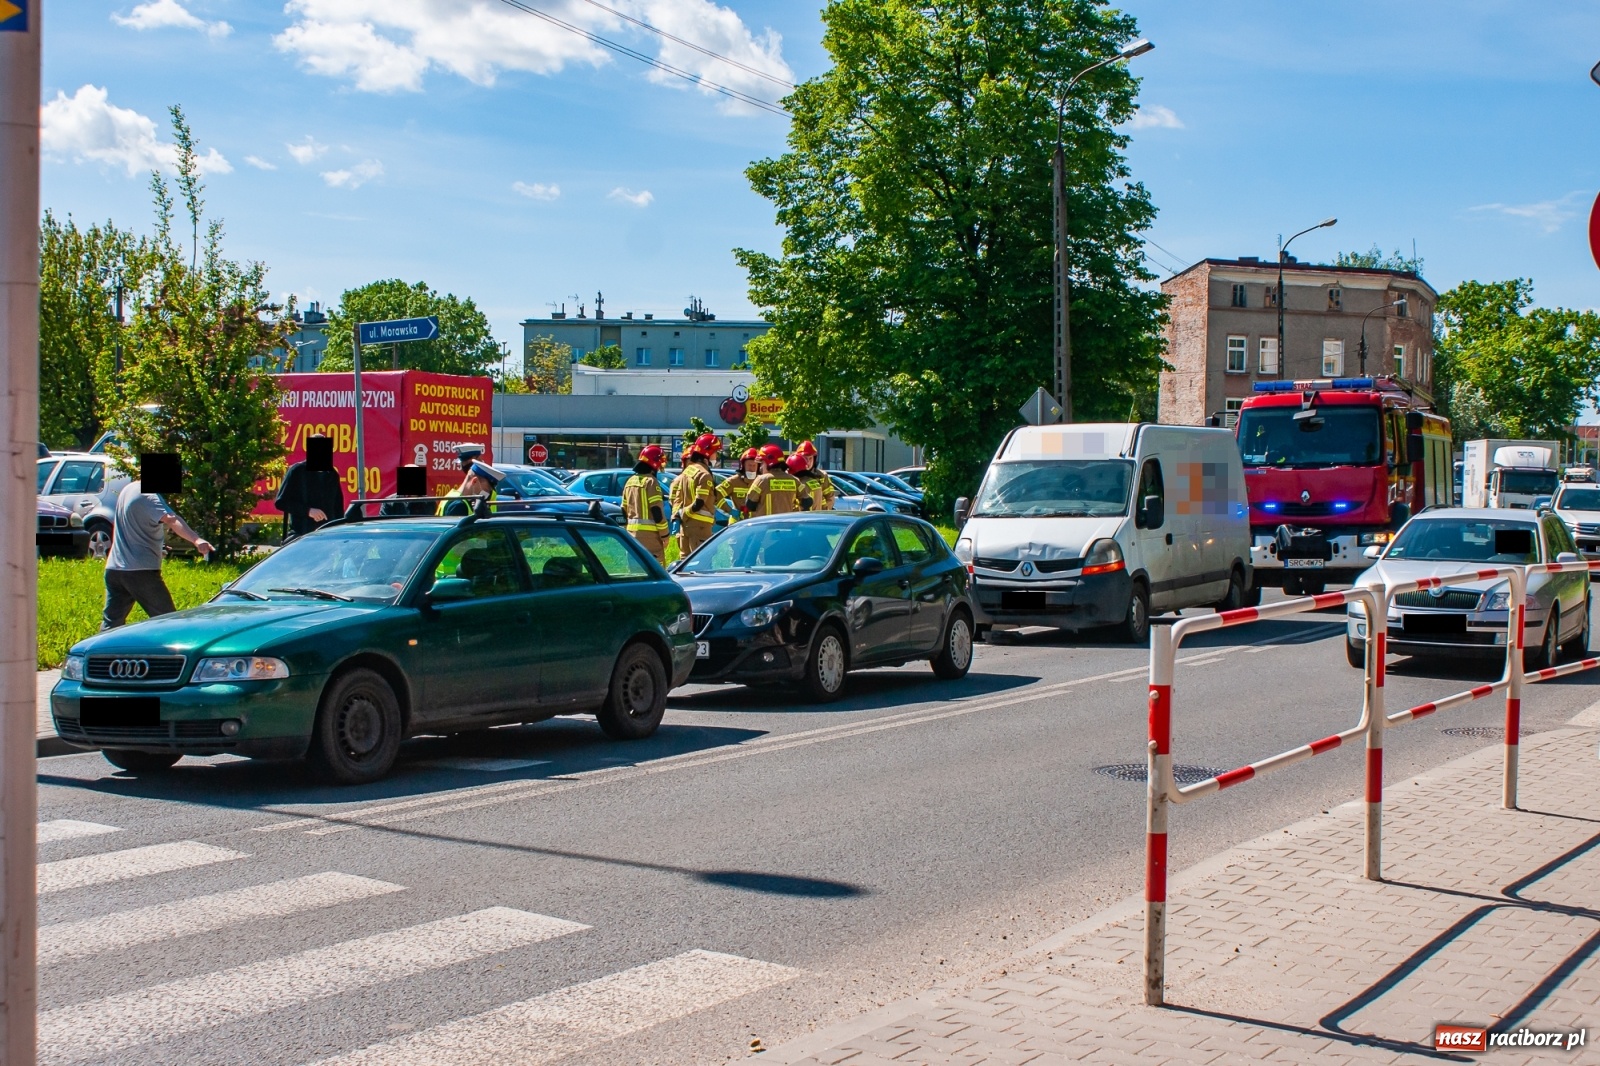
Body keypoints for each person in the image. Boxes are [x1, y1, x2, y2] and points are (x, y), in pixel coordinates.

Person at [101, 480, 214, 631]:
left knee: (111, 624)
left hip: (115, 569)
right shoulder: (149, 496)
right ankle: (174, 653)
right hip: (140, 572)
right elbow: (171, 520)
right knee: (168, 621)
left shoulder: (129, 489)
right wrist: (197, 540)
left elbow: (135, 525)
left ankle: (96, 653)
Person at [275, 433, 345, 538]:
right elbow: (281, 502)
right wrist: (308, 511)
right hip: (302, 534)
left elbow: (338, 507)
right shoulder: (297, 471)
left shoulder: (332, 474)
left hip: (327, 535)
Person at [673, 433, 722, 558]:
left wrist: (678, 517)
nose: (716, 456)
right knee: (702, 565)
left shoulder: (688, 471)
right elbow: (699, 502)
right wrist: (685, 513)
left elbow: (677, 498)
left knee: (685, 563)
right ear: (708, 452)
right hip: (700, 528)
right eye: (715, 452)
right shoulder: (704, 474)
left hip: (686, 528)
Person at [623, 445, 670, 564]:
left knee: (636, 575)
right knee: (655, 575)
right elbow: (656, 511)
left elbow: (623, 510)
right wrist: (665, 535)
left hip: (631, 536)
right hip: (650, 538)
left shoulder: (630, 481)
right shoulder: (651, 482)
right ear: (655, 463)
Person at [745, 445, 811, 516]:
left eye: (762, 463)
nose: (760, 468)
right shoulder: (794, 480)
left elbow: (750, 504)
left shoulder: (761, 480)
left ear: (769, 462)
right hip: (787, 524)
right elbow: (808, 501)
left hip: (766, 525)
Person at [439, 461, 504, 516]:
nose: (487, 494)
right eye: (486, 490)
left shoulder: (453, 496)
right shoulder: (459, 506)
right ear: (474, 481)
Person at [718, 448, 762, 521]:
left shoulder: (762, 482)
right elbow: (715, 495)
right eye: (749, 465)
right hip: (736, 523)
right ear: (743, 466)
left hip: (755, 523)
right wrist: (730, 510)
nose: (751, 468)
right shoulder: (733, 481)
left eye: (754, 465)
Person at [792, 440, 835, 512]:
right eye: (805, 458)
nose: (808, 462)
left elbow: (830, 498)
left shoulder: (822, 476)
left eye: (810, 458)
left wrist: (824, 512)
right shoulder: (792, 474)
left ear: (814, 459)